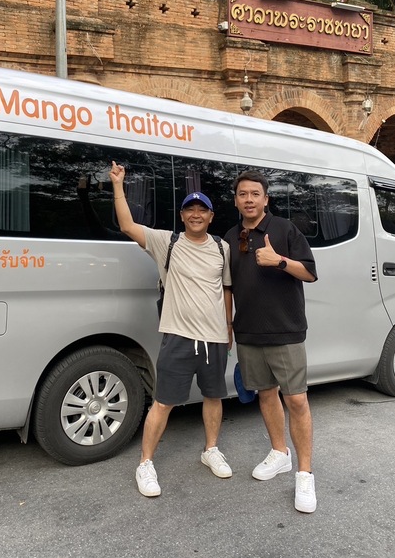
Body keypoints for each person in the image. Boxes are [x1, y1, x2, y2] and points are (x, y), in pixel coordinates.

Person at [109, 161, 233, 498]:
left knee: (214, 397)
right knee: (163, 402)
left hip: (214, 338)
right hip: (178, 336)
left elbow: (226, 290)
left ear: (211, 217)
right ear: (182, 216)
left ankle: (211, 449)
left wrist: (229, 327)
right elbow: (127, 225)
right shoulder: (168, 242)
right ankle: (145, 463)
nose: (196, 214)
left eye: (202, 210)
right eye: (190, 209)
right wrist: (118, 185)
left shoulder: (221, 248)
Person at [225, 169, 318, 513]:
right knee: (265, 394)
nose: (249, 199)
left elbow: (310, 272)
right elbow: (228, 286)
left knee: (296, 400)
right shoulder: (230, 237)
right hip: (248, 332)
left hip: (285, 330)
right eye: (243, 194)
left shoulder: (284, 229)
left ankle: (305, 474)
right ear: (236, 200)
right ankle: (280, 453)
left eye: (255, 194)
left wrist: (279, 260)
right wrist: (228, 325)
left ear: (266, 199)